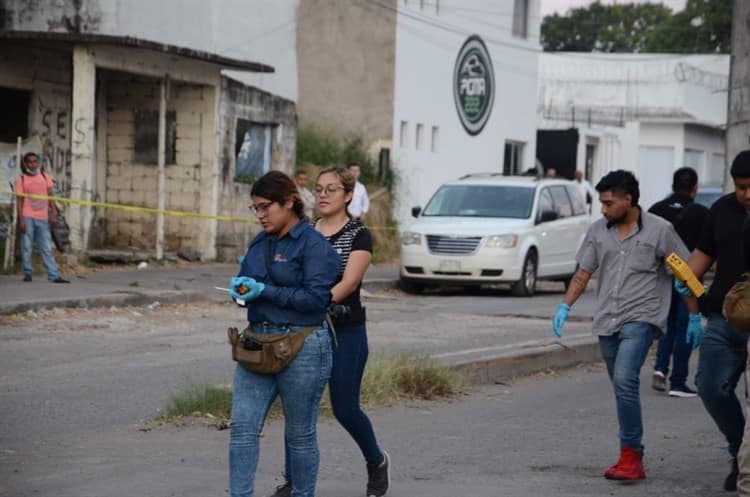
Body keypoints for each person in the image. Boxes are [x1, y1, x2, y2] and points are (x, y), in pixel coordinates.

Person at [551, 170, 700, 481]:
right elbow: (583, 273)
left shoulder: (661, 231)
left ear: (628, 199)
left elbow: (685, 274)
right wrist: (565, 306)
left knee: (624, 378)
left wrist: (695, 315)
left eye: (608, 203)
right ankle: (632, 453)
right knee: (622, 388)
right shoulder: (597, 232)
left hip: (642, 318)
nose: (603, 209)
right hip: (607, 320)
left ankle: (631, 454)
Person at [271, 166, 390, 497]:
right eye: (319, 189)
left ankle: (376, 462)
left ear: (349, 195)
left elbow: (349, 283)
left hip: (345, 331)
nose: (322, 195)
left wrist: (313, 302)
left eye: (331, 189)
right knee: (297, 408)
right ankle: (293, 481)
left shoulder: (358, 235)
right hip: (305, 331)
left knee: (345, 408)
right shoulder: (305, 231)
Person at [228, 171, 341, 497]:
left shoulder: (313, 245)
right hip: (257, 342)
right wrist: (239, 291)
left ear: (289, 203)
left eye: (265, 207)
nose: (260, 215)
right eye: (255, 209)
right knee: (242, 429)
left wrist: (266, 291)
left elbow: (316, 300)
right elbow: (245, 283)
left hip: (302, 344)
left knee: (300, 434)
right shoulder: (259, 242)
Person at [677, 151, 750, 492]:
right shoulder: (721, 210)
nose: (747, 194)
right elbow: (696, 265)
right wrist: (689, 296)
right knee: (708, 386)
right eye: (740, 187)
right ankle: (740, 452)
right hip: (723, 319)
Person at [648, 167, 709, 397]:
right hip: (689, 279)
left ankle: (660, 369)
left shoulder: (655, 211)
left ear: (673, 186)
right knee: (685, 327)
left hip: (661, 277)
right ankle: (678, 381)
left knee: (666, 325)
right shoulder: (702, 213)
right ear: (694, 188)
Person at [14, 152, 68, 283]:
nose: (32, 164)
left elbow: (50, 197)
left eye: (35, 161)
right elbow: (20, 201)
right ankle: (27, 273)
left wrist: (53, 213)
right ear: (26, 164)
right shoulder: (21, 180)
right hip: (27, 216)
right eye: (30, 162)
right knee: (27, 246)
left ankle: (53, 275)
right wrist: (21, 219)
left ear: (38, 163)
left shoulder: (44, 177)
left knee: (46, 247)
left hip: (43, 217)